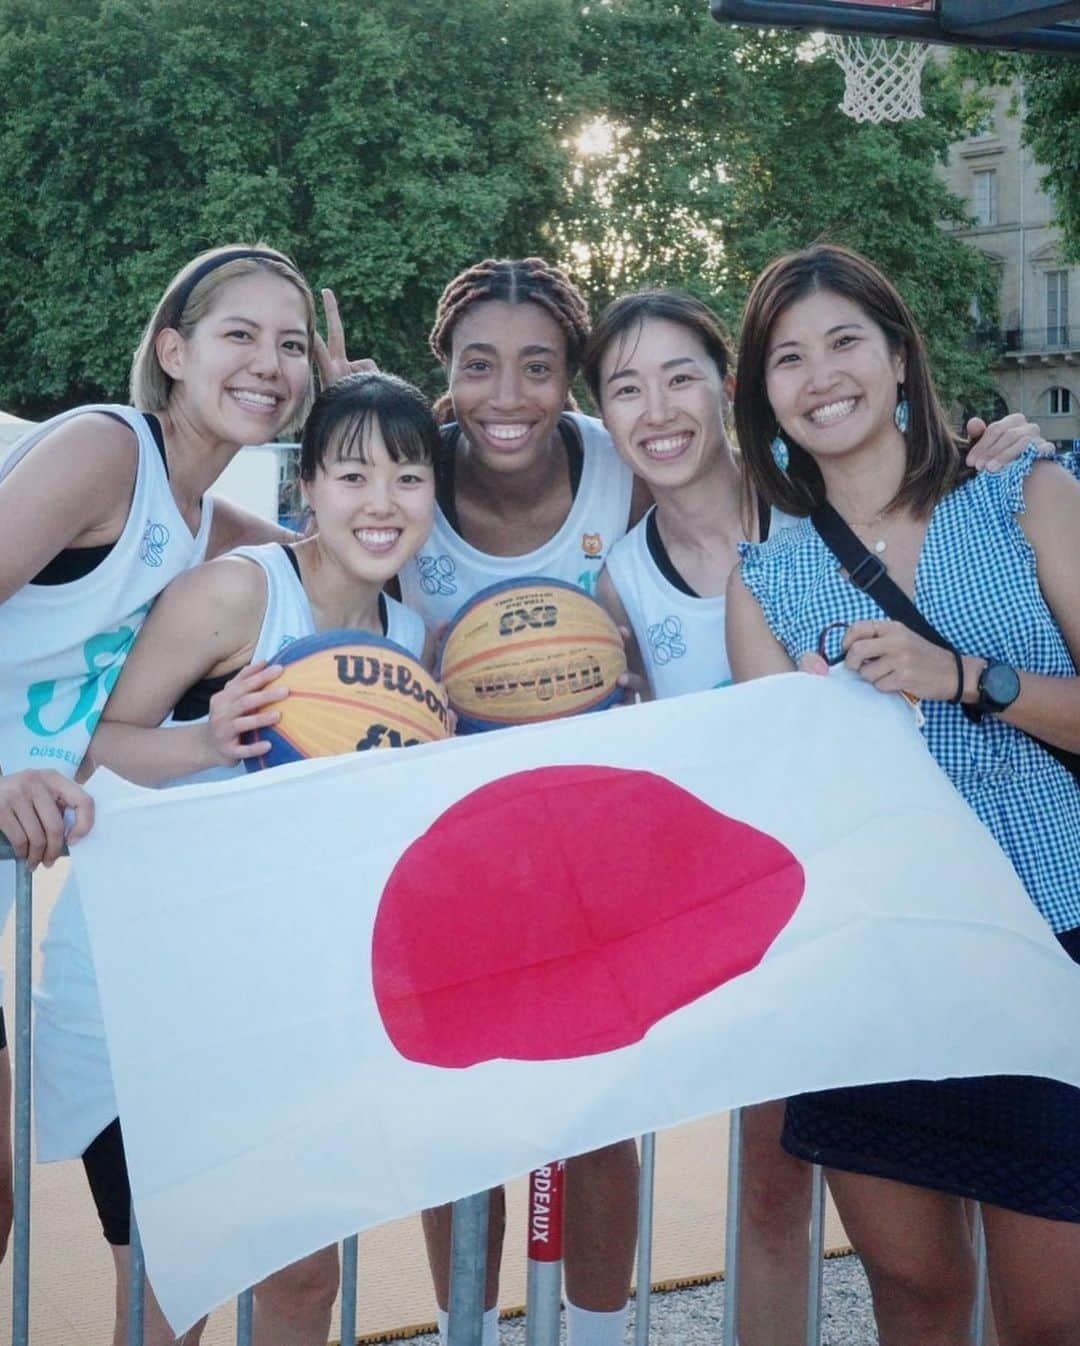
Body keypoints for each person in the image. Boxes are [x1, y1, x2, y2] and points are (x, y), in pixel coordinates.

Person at [727, 242, 1080, 1346]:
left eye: (844, 341)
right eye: (788, 357)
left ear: (895, 358)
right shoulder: (767, 577)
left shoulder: (1026, 493)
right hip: (877, 970)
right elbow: (782, 806)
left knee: (1049, 1314)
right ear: (766, 397)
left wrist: (966, 676)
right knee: (916, 1298)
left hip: (1049, 941)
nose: (820, 373)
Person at [0, 241, 340, 1342]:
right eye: (240, 333)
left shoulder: (212, 526)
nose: (269, 361)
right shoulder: (105, 450)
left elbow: (347, 540)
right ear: (173, 349)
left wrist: (368, 420)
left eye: (291, 346)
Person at [397, 257, 648, 1346]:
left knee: (597, 1115)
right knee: (458, 1121)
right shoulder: (404, 471)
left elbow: (765, 504)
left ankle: (592, 1333)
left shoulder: (618, 467)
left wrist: (979, 450)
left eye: (538, 367)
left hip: (591, 843)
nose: (508, 396)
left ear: (573, 379)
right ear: (444, 375)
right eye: (480, 366)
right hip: (450, 852)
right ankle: (470, 1328)